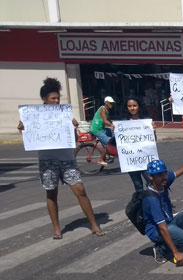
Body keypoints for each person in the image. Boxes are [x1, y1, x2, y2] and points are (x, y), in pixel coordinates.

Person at [17, 77, 105, 239]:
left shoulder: (64, 114)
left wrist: (73, 127)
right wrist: (22, 129)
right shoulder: (32, 115)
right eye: (53, 98)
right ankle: (56, 228)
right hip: (47, 160)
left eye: (58, 98)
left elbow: (73, 139)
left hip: (67, 159)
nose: (56, 101)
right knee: (51, 193)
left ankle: (93, 225)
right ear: (44, 99)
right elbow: (30, 139)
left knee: (80, 190)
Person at [142, 150, 183, 265]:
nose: (164, 177)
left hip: (169, 222)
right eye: (159, 175)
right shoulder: (151, 199)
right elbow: (162, 228)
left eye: (164, 173)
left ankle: (177, 239)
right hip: (157, 231)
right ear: (151, 177)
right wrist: (176, 253)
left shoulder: (163, 182)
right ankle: (160, 250)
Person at [123, 96, 154, 192]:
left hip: (145, 159)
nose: (132, 108)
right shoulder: (123, 123)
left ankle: (153, 203)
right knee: (138, 186)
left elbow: (153, 141)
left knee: (151, 182)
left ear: (139, 106)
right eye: (130, 106)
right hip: (132, 160)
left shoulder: (146, 121)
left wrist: (153, 131)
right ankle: (141, 204)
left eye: (134, 105)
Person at [90, 96, 116, 166]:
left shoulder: (106, 111)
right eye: (110, 103)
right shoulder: (103, 109)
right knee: (109, 143)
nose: (111, 104)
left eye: (112, 103)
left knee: (115, 135)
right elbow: (105, 121)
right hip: (97, 130)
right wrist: (111, 125)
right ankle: (100, 159)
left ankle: (111, 154)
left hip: (102, 129)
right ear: (106, 103)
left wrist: (115, 125)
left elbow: (109, 121)